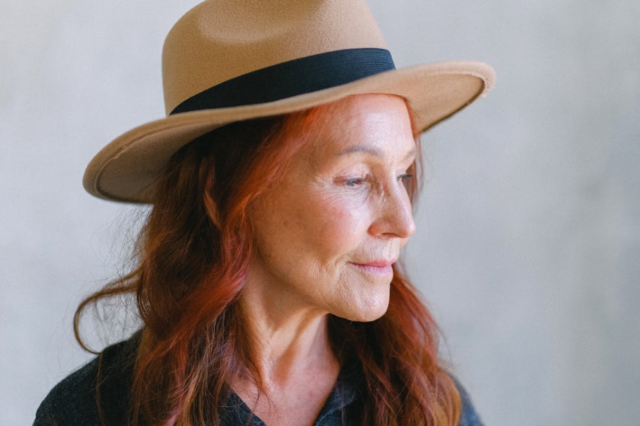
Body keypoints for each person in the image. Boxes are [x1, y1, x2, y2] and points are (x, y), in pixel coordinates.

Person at [34, 0, 495, 425]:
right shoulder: (93, 413)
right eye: (355, 179)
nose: (404, 223)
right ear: (220, 191)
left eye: (403, 174)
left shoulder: (431, 406)